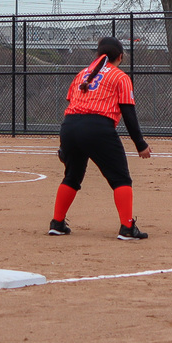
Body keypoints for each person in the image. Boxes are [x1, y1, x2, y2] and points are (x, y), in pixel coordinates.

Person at [49, 36, 151, 241]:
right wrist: (140, 144)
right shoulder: (120, 77)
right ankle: (127, 228)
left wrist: (65, 145)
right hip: (98, 128)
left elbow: (71, 107)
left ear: (98, 55)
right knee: (121, 179)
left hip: (69, 127)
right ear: (120, 57)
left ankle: (57, 223)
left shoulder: (81, 75)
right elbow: (129, 114)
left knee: (72, 176)